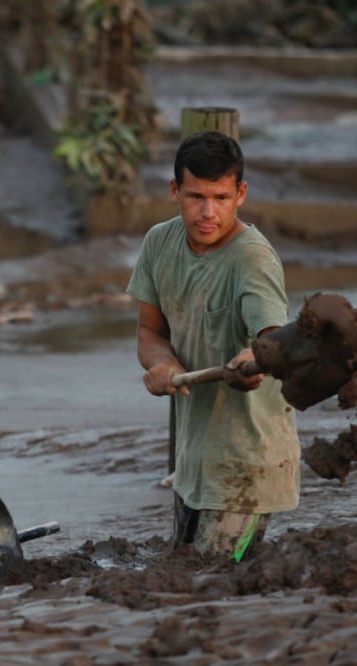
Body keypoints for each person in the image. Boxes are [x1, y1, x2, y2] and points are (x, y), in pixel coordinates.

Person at [125, 130, 300, 562]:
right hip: (192, 462)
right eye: (195, 196)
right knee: (184, 578)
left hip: (248, 467)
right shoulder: (159, 243)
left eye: (221, 198)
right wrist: (161, 364)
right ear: (174, 191)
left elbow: (274, 344)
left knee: (215, 583)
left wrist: (255, 362)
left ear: (240, 194)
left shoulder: (252, 260)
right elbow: (150, 332)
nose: (208, 212)